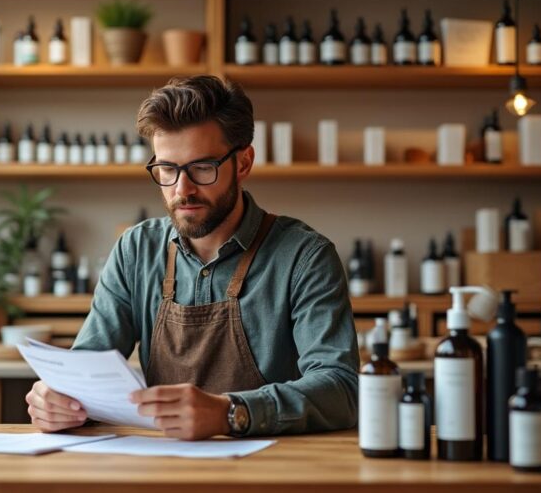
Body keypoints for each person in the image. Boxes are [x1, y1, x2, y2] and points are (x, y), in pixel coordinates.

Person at [26, 75, 359, 440]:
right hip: (165, 466)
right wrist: (59, 399)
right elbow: (85, 374)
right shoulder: (136, 250)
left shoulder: (304, 257)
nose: (182, 190)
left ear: (244, 162)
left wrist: (231, 413)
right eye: (167, 169)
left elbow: (341, 389)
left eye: (202, 168)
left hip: (272, 468)